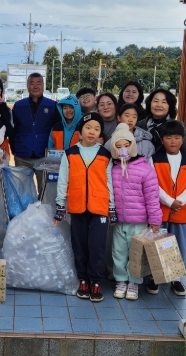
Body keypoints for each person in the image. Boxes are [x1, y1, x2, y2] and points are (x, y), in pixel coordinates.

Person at [53, 112, 113, 303]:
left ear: (100, 133)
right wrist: (60, 205)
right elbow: (63, 181)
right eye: (88, 128)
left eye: (97, 129)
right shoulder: (70, 153)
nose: (92, 132)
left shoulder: (105, 155)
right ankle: (83, 280)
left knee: (97, 246)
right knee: (79, 245)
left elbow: (109, 182)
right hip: (77, 207)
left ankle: (96, 281)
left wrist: (111, 207)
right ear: (80, 132)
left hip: (99, 208)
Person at [109, 123, 162, 301]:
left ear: (133, 145)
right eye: (118, 146)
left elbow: (152, 197)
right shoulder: (112, 169)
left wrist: (155, 220)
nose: (123, 149)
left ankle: (134, 282)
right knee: (118, 252)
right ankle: (120, 280)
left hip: (139, 221)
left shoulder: (145, 169)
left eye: (126, 145)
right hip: (119, 220)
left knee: (136, 253)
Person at [151, 121, 186, 297]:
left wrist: (180, 202)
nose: (173, 141)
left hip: (181, 212)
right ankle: (154, 277)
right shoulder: (154, 159)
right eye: (168, 137)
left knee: (178, 245)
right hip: (160, 211)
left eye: (177, 137)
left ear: (183, 139)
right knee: (157, 244)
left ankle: (176, 279)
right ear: (162, 140)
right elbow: (153, 184)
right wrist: (170, 201)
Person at [137, 88, 186, 178]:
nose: (159, 105)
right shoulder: (140, 125)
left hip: (166, 174)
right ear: (149, 104)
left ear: (170, 106)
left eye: (164, 102)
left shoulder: (177, 126)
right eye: (155, 101)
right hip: (142, 174)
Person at [11, 73, 58, 190]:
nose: (35, 86)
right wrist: (14, 149)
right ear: (27, 86)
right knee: (23, 190)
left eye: (39, 83)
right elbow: (13, 129)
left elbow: (56, 130)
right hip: (22, 156)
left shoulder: (52, 105)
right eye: (32, 83)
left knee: (44, 189)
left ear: (43, 86)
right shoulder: (18, 105)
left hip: (44, 156)